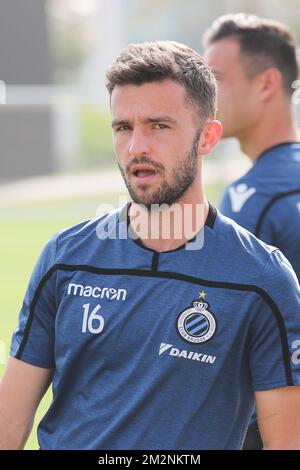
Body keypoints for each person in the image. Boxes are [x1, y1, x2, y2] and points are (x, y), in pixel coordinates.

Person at [1, 41, 300, 450]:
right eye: (123, 127)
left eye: (159, 125)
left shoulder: (263, 278)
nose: (136, 147)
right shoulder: (64, 258)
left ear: (208, 137)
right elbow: (10, 425)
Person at [203, 13, 300, 448]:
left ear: (266, 84)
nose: (204, 95)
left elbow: (223, 333)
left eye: (216, 79)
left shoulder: (252, 195)